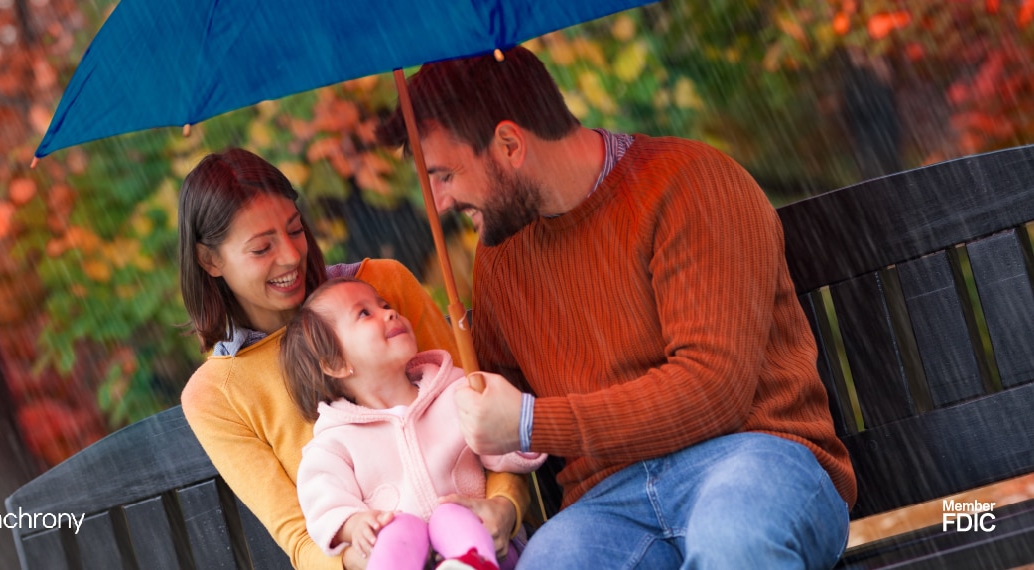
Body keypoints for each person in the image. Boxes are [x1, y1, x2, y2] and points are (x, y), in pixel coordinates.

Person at [376, 46, 857, 569]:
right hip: (608, 506)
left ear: (510, 143)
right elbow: (500, 421)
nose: (440, 200)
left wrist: (531, 422)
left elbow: (712, 390)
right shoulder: (500, 256)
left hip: (749, 457)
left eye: (444, 175)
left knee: (734, 543)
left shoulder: (688, 184)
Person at [176, 148, 529, 570]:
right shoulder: (216, 394)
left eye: (295, 229)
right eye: (261, 248)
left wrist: (504, 507)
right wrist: (380, 554)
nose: (290, 256)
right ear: (209, 260)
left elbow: (484, 422)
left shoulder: (381, 286)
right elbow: (301, 537)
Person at [282, 277, 545, 570]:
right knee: (395, 531)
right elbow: (323, 502)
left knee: (451, 513)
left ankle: (469, 565)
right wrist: (353, 524)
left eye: (386, 305)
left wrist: (519, 429)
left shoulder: (455, 393)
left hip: (484, 547)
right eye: (364, 313)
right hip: (408, 558)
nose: (390, 313)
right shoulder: (334, 443)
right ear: (335, 364)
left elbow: (503, 452)